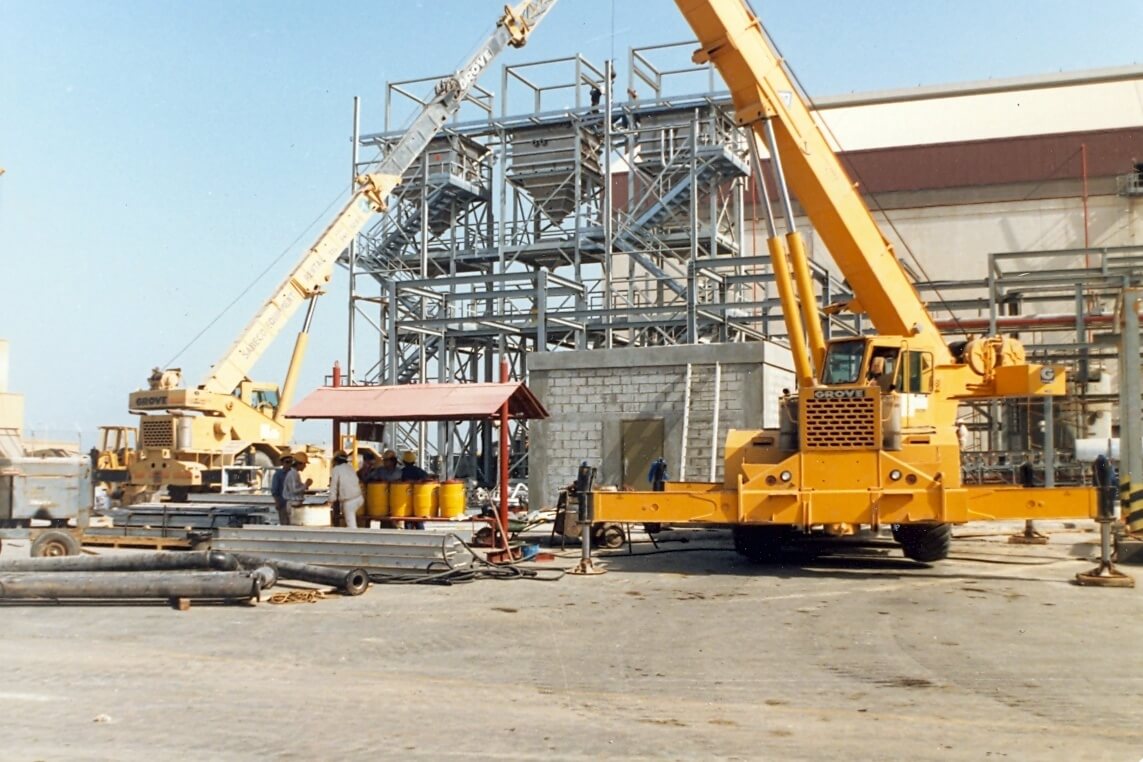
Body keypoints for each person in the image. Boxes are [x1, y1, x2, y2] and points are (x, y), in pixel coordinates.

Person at [328, 450, 364, 530]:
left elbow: (333, 486)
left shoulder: (336, 469)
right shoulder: (350, 468)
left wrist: (331, 500)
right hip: (359, 498)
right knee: (352, 521)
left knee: (351, 526)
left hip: (350, 501)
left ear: (336, 460)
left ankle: (354, 540)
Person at [282, 451, 313, 526]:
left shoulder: (294, 473)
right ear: (299, 463)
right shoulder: (293, 474)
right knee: (294, 526)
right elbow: (294, 490)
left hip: (294, 503)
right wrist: (306, 485)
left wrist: (304, 486)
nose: (305, 466)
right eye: (304, 464)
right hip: (293, 504)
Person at [270, 453, 294, 525]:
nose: (289, 464)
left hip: (293, 504)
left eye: (291, 462)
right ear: (282, 463)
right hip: (283, 504)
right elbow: (274, 490)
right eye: (287, 462)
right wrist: (277, 502)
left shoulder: (293, 473)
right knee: (285, 523)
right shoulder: (278, 474)